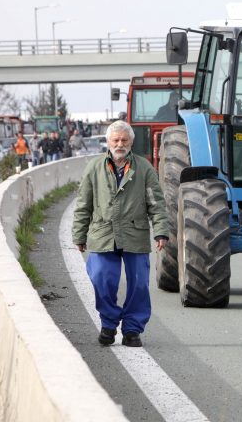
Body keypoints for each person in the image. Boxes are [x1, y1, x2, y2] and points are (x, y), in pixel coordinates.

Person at [72, 120, 169, 347]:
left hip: (135, 233)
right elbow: (83, 204)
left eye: (124, 140)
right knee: (100, 278)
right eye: (115, 140)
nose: (120, 144)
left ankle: (132, 330)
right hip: (103, 233)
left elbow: (156, 203)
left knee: (139, 285)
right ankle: (108, 323)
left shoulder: (143, 168)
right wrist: (79, 235)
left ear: (131, 142)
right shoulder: (94, 168)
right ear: (108, 142)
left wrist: (161, 232)